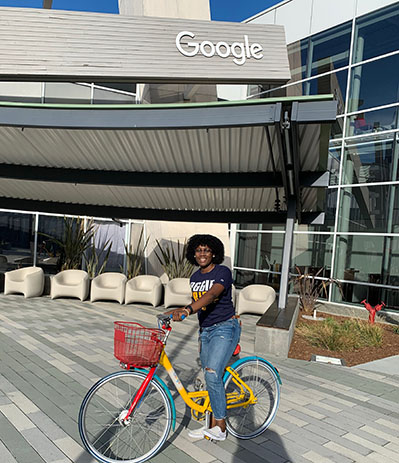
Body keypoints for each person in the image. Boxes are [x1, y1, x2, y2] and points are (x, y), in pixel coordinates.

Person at [166, 234, 241, 441]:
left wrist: (187, 310)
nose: (202, 254)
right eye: (198, 250)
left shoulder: (222, 272)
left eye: (206, 250)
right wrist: (172, 312)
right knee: (210, 379)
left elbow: (211, 295)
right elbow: (198, 300)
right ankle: (210, 425)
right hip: (205, 330)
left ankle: (221, 427)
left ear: (213, 253)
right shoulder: (195, 277)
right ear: (194, 253)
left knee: (211, 373)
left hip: (225, 327)